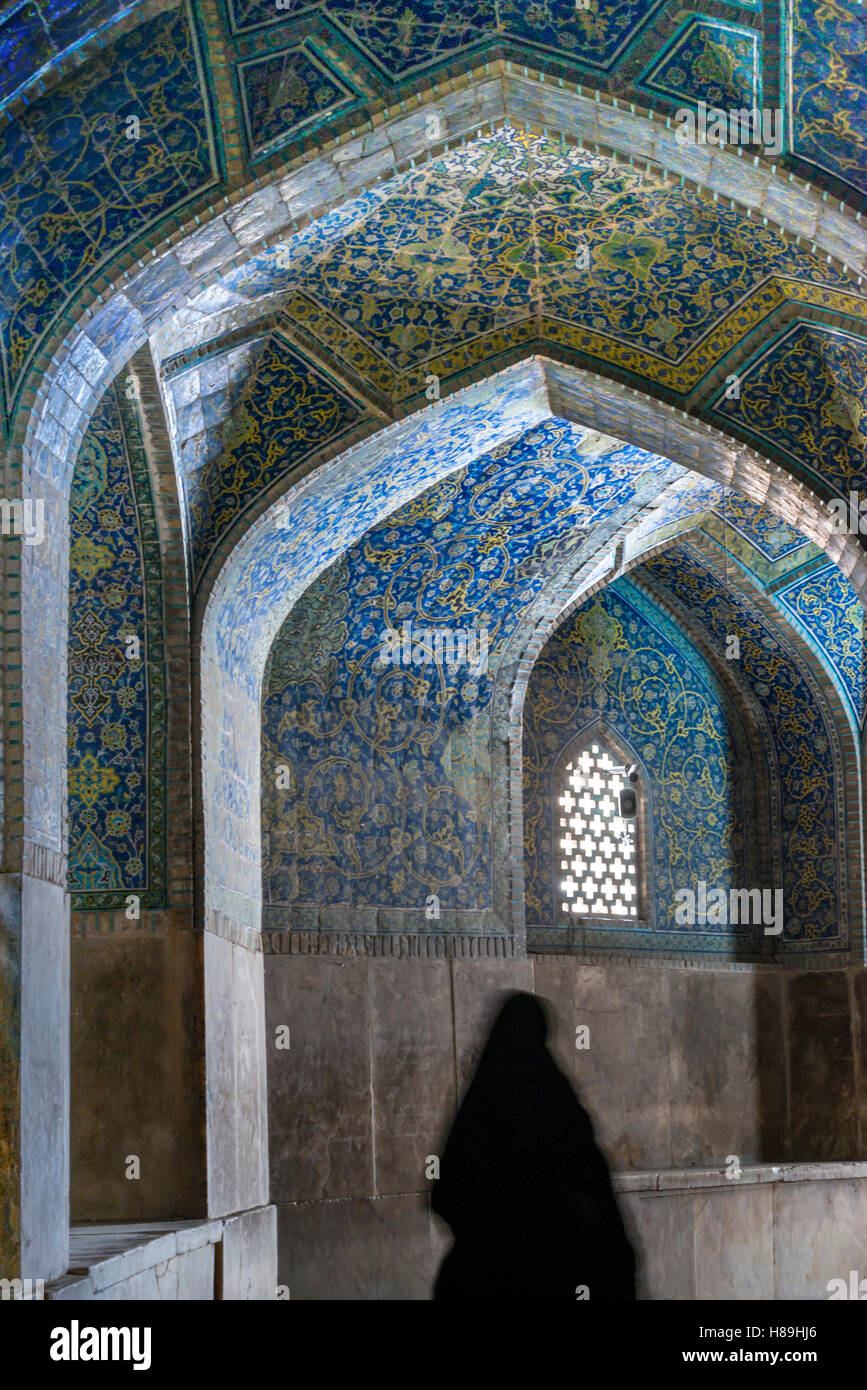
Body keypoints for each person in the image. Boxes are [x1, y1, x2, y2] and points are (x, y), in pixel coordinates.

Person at [432, 991, 636, 1301]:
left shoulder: (480, 1108)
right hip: (553, 1275)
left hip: (485, 1278)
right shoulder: (557, 1102)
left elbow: (445, 1195)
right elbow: (591, 1189)